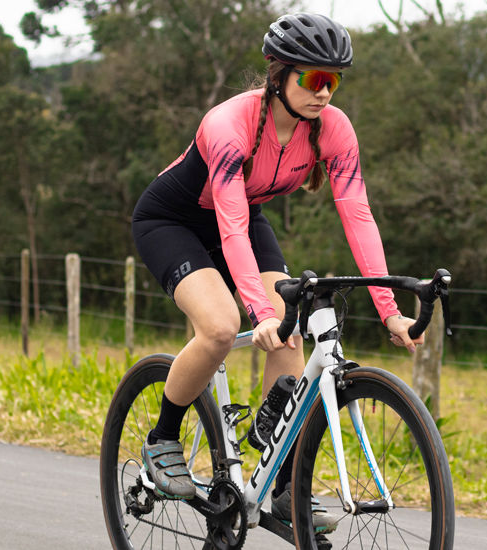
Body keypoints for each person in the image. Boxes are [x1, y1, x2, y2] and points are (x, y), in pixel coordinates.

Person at [131, 12, 424, 532]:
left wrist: (390, 312)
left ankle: (282, 484)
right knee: (222, 326)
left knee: (290, 332)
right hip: (174, 222)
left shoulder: (333, 130)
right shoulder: (229, 123)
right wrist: (260, 311)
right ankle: (163, 437)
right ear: (278, 75)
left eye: (333, 81)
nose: (324, 93)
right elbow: (230, 224)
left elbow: (357, 215)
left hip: (244, 220)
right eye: (313, 79)